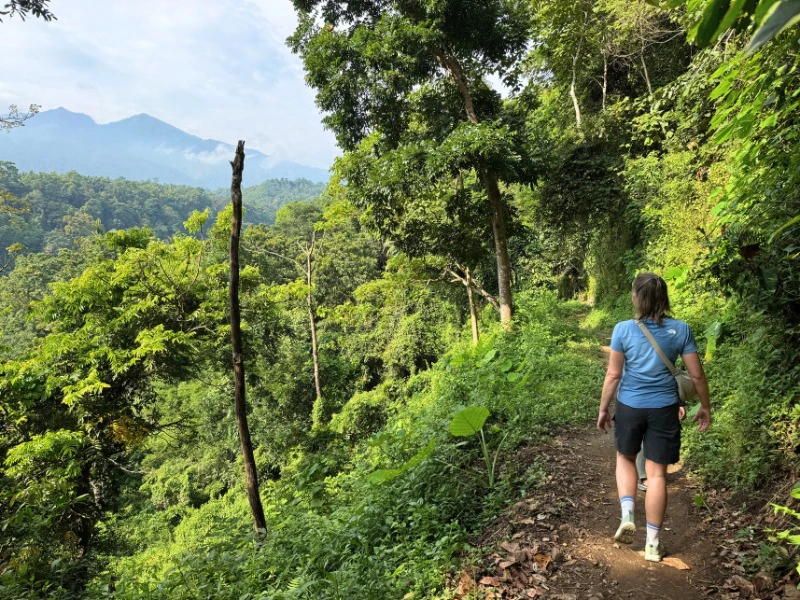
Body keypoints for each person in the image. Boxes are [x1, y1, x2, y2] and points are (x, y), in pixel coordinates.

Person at [596, 272, 712, 562]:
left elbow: (613, 374)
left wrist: (603, 408)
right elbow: (696, 375)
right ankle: (652, 544)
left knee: (624, 458)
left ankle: (626, 514)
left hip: (629, 406)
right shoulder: (681, 329)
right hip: (664, 408)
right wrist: (705, 407)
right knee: (657, 474)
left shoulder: (623, 329)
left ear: (636, 297)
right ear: (664, 298)